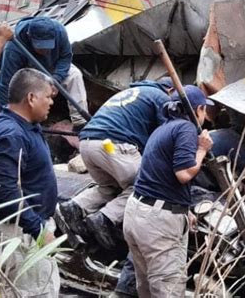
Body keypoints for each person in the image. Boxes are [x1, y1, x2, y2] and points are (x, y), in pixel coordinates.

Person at [58, 78, 174, 250]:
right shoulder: (162, 98)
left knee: (109, 187)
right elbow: (166, 135)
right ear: (170, 90)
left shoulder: (133, 92)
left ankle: (75, 206)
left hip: (88, 144)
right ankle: (105, 218)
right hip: (112, 145)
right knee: (146, 186)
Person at [123, 85, 213, 298]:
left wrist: (184, 210)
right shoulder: (186, 129)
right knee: (168, 289)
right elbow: (183, 173)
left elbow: (161, 177)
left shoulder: (163, 129)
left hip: (138, 211)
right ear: (198, 109)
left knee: (146, 288)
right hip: (157, 223)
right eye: (204, 110)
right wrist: (202, 149)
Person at [0, 68, 57, 243]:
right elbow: (7, 192)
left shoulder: (26, 125)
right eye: (47, 97)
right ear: (31, 98)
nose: (51, 103)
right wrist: (38, 230)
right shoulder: (11, 135)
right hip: (22, 232)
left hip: (33, 224)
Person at [0, 16, 88, 128]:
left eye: (49, 46)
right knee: (27, 93)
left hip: (53, 66)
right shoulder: (14, 48)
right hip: (29, 70)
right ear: (30, 37)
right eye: (41, 47)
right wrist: (5, 117)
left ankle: (80, 123)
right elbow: (5, 84)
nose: (46, 51)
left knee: (75, 75)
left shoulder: (59, 31)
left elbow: (66, 57)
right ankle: (29, 121)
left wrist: (56, 79)